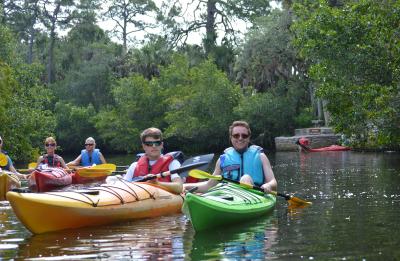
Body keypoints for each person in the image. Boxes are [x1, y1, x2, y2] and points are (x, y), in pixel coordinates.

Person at [184, 121, 277, 193]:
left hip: (255, 195)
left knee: (246, 178)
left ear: (249, 138)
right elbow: (209, 185)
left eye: (244, 136)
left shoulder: (261, 156)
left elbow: (273, 182)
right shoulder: (222, 160)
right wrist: (186, 186)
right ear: (231, 138)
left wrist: (268, 186)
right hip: (229, 196)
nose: (240, 138)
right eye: (236, 135)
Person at [123, 127, 183, 194]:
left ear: (162, 145)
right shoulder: (134, 166)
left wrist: (157, 183)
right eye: (149, 144)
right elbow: (124, 187)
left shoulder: (172, 163)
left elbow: (179, 188)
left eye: (157, 143)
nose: (154, 146)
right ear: (144, 146)